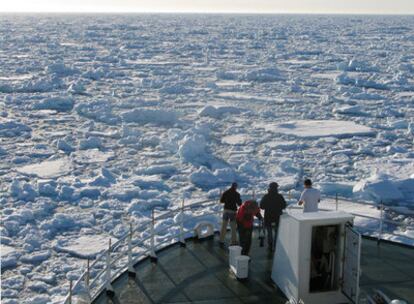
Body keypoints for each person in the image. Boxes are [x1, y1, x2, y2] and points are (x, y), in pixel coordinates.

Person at [260, 182, 286, 251]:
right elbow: (284, 205)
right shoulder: (279, 196)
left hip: (268, 217)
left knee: (269, 232)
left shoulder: (266, 196)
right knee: (277, 232)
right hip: (277, 217)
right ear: (276, 188)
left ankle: (270, 246)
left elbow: (261, 206)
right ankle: (276, 246)